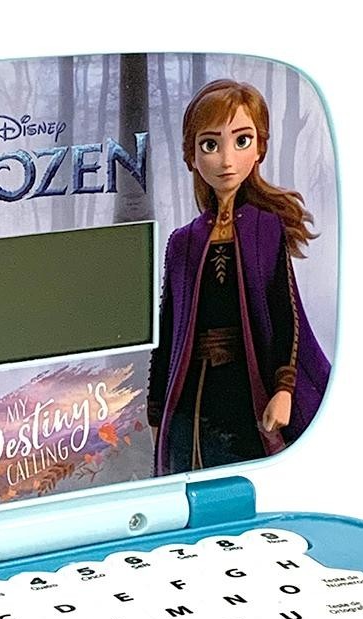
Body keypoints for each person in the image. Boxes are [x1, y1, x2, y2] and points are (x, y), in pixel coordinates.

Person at [147, 79, 331, 476]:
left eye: (241, 141)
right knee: (196, 474)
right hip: (193, 395)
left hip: (248, 385)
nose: (227, 159)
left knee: (249, 472)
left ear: (259, 147)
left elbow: (285, 314)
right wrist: (157, 410)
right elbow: (168, 329)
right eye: (210, 145)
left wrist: (283, 389)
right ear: (191, 155)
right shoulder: (183, 242)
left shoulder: (265, 229)